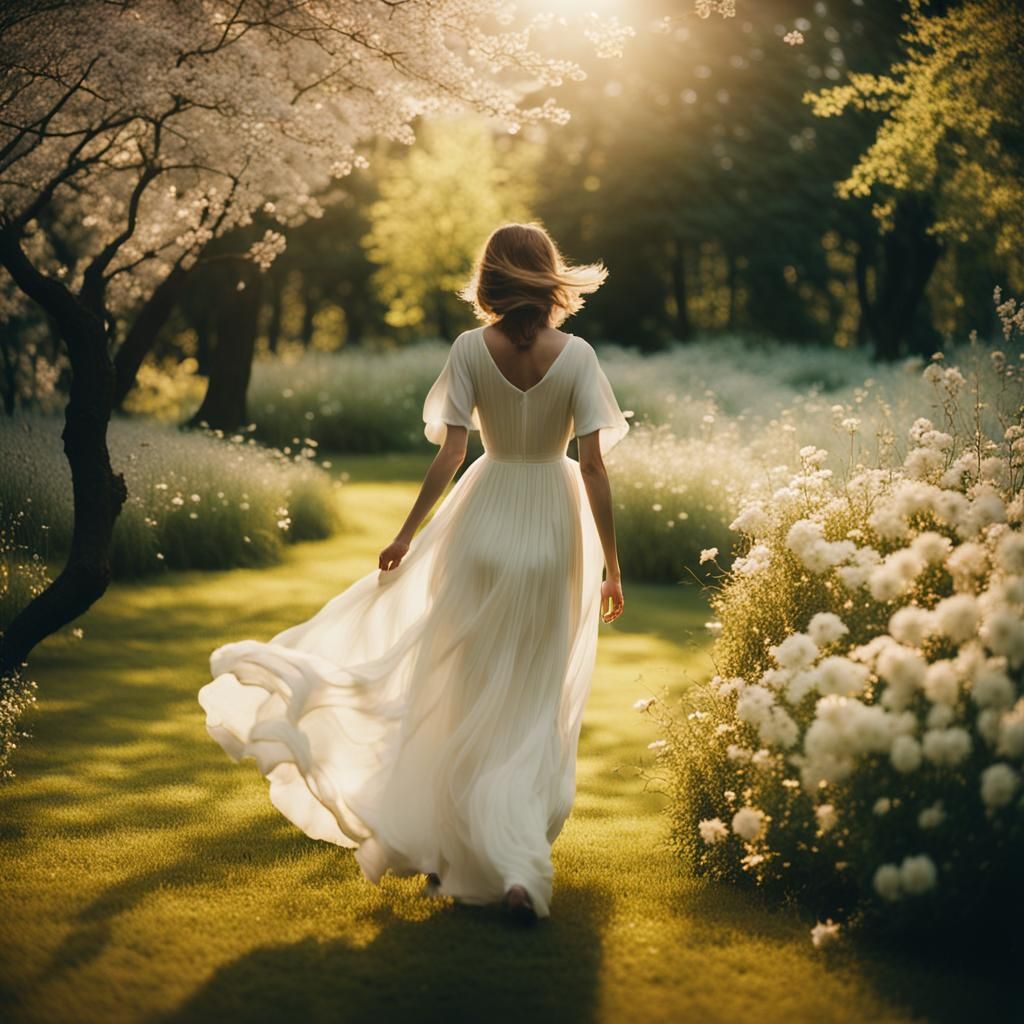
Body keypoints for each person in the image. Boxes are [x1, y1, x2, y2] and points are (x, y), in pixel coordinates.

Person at [198, 221, 629, 924]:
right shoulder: (577, 356)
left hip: (483, 520)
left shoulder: (469, 350)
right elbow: (594, 467)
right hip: (555, 529)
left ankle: (455, 852)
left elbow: (451, 455)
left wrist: (406, 534)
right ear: (547, 276)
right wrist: (612, 567)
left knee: (463, 688)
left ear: (491, 278)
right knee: (529, 699)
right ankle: (517, 869)